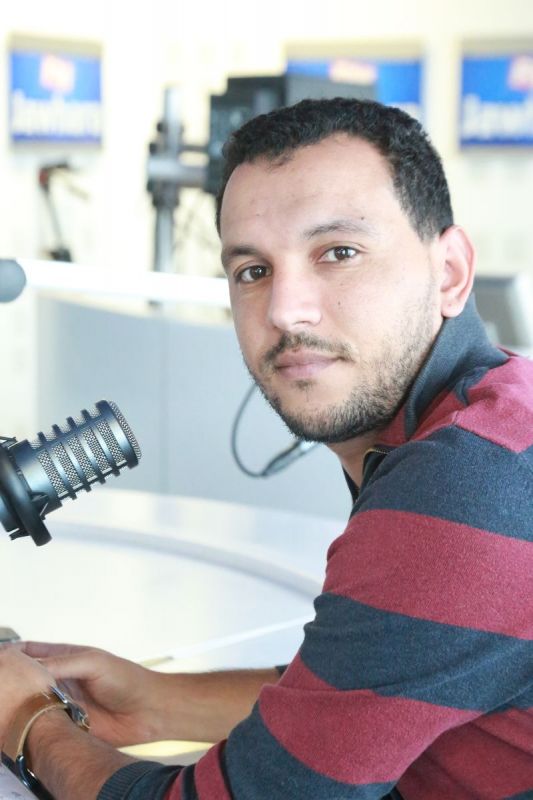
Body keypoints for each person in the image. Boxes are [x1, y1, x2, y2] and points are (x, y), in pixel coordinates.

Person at [1, 97, 532, 800]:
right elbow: (375, 688)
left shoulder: (464, 488)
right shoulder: (494, 415)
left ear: (451, 272)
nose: (284, 310)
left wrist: (28, 719)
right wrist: (158, 700)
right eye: (252, 270)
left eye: (337, 253)